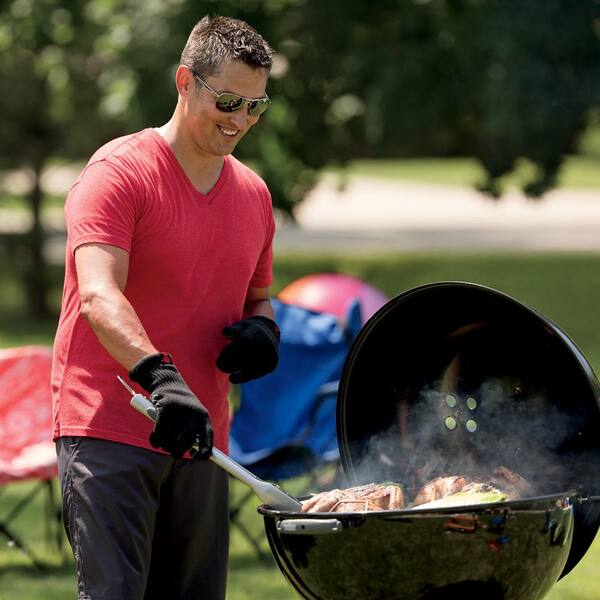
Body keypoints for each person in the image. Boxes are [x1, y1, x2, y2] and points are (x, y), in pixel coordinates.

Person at [51, 15, 279, 600]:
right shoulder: (118, 174)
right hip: (110, 426)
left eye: (255, 106)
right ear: (185, 81)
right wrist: (160, 378)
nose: (239, 120)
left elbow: (258, 297)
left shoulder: (254, 195)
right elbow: (99, 293)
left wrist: (264, 332)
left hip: (203, 439)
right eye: (227, 101)